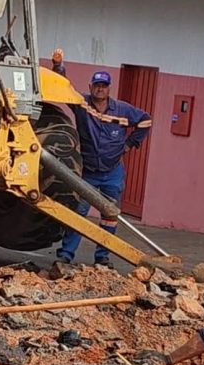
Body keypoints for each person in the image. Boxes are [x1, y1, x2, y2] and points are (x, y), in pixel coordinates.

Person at [50, 48, 152, 267]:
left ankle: (102, 257)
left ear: (109, 89)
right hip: (88, 173)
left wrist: (129, 144)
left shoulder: (123, 110)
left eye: (104, 86)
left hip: (112, 172)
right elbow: (64, 87)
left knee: (109, 214)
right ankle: (66, 255)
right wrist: (59, 66)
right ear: (91, 87)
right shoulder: (82, 105)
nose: (100, 89)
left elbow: (146, 121)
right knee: (79, 213)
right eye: (96, 85)